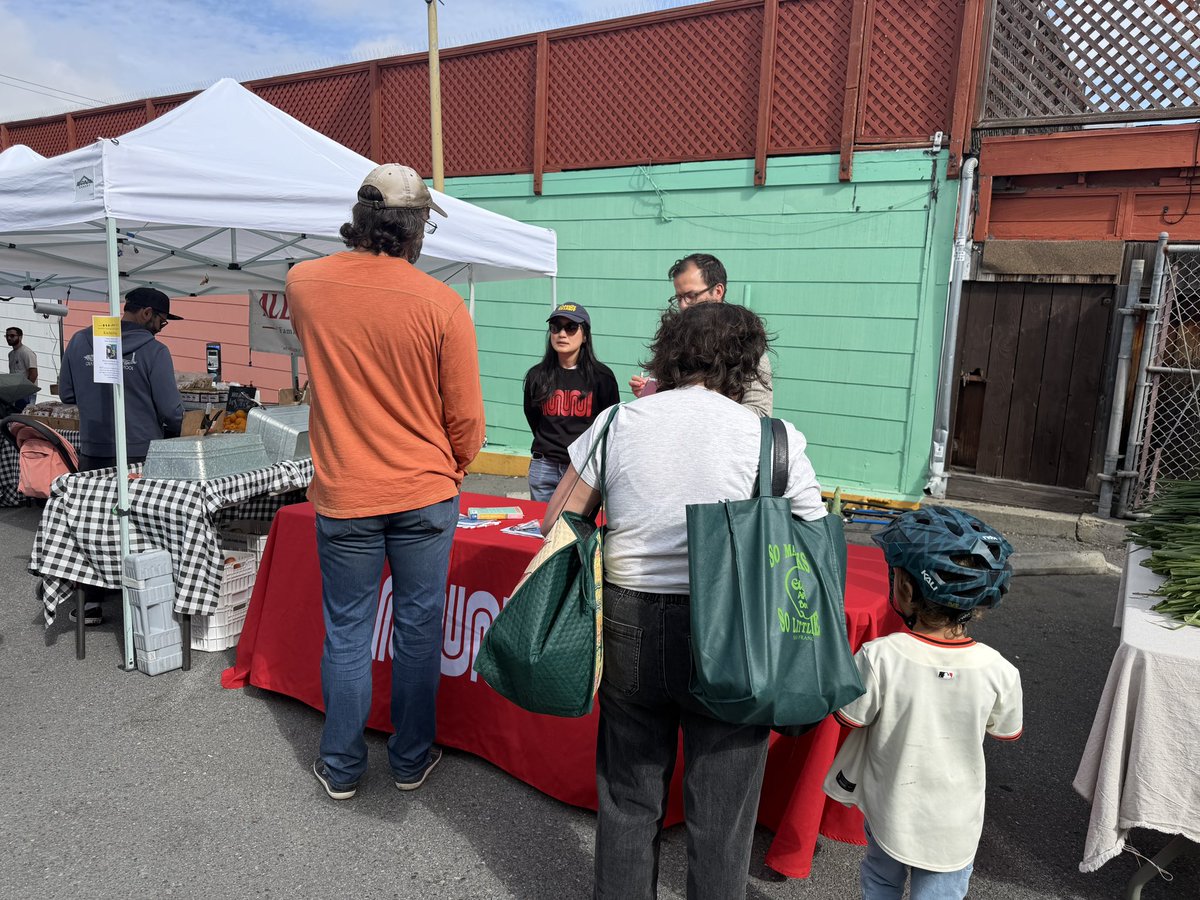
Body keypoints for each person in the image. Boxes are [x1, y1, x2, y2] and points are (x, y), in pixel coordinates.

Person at [543, 302, 826, 900]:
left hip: (629, 618)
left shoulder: (620, 421)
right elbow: (812, 541)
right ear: (747, 365)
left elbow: (560, 519)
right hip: (737, 630)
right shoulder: (773, 439)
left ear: (668, 351)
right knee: (723, 821)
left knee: (627, 799)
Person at [287, 163, 486, 803]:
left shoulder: (305, 283)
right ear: (416, 228)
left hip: (346, 490)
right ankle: (409, 758)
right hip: (425, 489)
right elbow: (466, 420)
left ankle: (342, 767)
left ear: (363, 219)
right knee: (419, 630)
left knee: (348, 630)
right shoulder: (442, 304)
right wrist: (453, 465)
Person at [822, 507, 1022, 900]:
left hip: (891, 807)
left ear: (908, 590)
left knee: (881, 880)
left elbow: (850, 717)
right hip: (956, 821)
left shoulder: (880, 656)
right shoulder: (999, 670)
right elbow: (1004, 730)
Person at [58, 287, 185, 626]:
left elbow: (67, 392)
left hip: (94, 448)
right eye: (161, 320)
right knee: (146, 523)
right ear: (146, 314)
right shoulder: (155, 351)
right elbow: (172, 410)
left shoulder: (81, 340)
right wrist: (171, 430)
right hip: (141, 452)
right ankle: (146, 596)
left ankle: (90, 602)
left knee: (94, 524)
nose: (161, 327)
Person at [628, 253, 773, 416]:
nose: (684, 306)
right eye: (679, 297)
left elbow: (760, 413)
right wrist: (651, 391)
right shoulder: (673, 339)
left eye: (691, 296)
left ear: (718, 291)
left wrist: (696, 410)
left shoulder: (745, 345)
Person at [523, 302, 619, 503]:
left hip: (582, 468)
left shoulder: (602, 377)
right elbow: (533, 417)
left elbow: (608, 425)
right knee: (542, 530)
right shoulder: (537, 376)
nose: (562, 334)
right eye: (555, 328)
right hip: (544, 466)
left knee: (574, 532)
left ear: (585, 336)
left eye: (571, 327)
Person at [5, 325, 38, 414]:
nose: (9, 338)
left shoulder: (27, 352)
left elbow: (33, 374)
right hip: (15, 392)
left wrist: (25, 391)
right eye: (7, 336)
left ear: (20, 337)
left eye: (12, 336)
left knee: (24, 417)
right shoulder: (11, 354)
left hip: (26, 393)